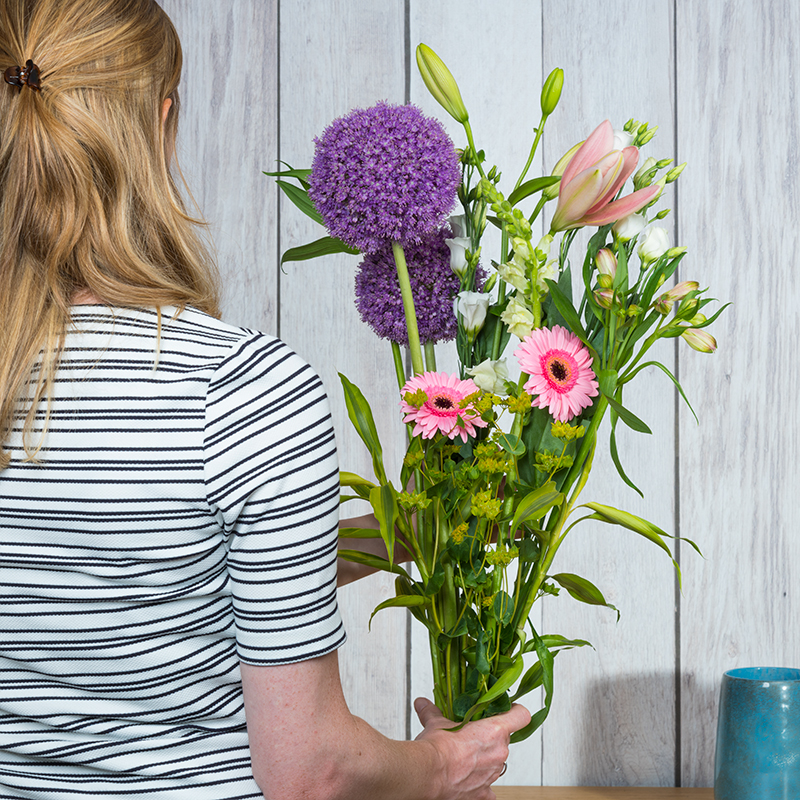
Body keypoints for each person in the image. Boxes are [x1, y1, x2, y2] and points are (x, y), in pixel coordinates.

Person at [0, 1, 530, 799]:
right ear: (159, 124)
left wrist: (399, 535)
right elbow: (311, 773)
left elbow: (121, 565)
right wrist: (447, 765)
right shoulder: (239, 390)